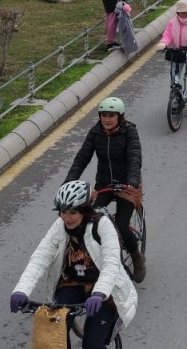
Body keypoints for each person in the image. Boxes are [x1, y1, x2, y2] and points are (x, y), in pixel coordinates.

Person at [10, 181, 138, 349]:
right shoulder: (59, 226)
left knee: (91, 344)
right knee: (52, 340)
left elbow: (111, 264)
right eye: (63, 212)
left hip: (105, 292)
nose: (67, 218)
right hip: (72, 284)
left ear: (85, 212)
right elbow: (40, 257)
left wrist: (99, 293)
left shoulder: (103, 226)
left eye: (73, 212)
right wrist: (21, 289)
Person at [64, 97, 145, 280]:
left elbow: (134, 157)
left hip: (126, 185)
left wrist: (132, 179)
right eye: (104, 116)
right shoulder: (95, 133)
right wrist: (69, 181)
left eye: (111, 115)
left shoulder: (129, 132)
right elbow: (82, 158)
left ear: (120, 117)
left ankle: (137, 256)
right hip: (104, 183)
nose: (107, 119)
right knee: (89, 221)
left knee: (122, 227)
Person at [156, 0, 187, 99]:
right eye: (180, 12)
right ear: (177, 12)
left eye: (185, 12)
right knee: (174, 67)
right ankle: (175, 90)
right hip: (177, 50)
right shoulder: (172, 22)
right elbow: (168, 35)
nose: (182, 14)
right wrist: (163, 43)